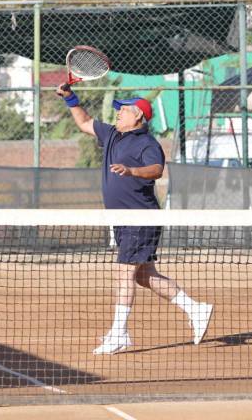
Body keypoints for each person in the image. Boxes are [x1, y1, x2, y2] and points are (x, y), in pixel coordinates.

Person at [56, 83, 214, 355]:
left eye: (123, 110)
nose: (117, 113)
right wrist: (70, 97)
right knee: (144, 276)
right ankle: (196, 309)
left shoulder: (147, 143)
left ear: (138, 116)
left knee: (123, 272)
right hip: (122, 219)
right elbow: (83, 122)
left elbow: (156, 169)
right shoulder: (112, 134)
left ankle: (119, 333)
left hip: (140, 217)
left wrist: (132, 171)